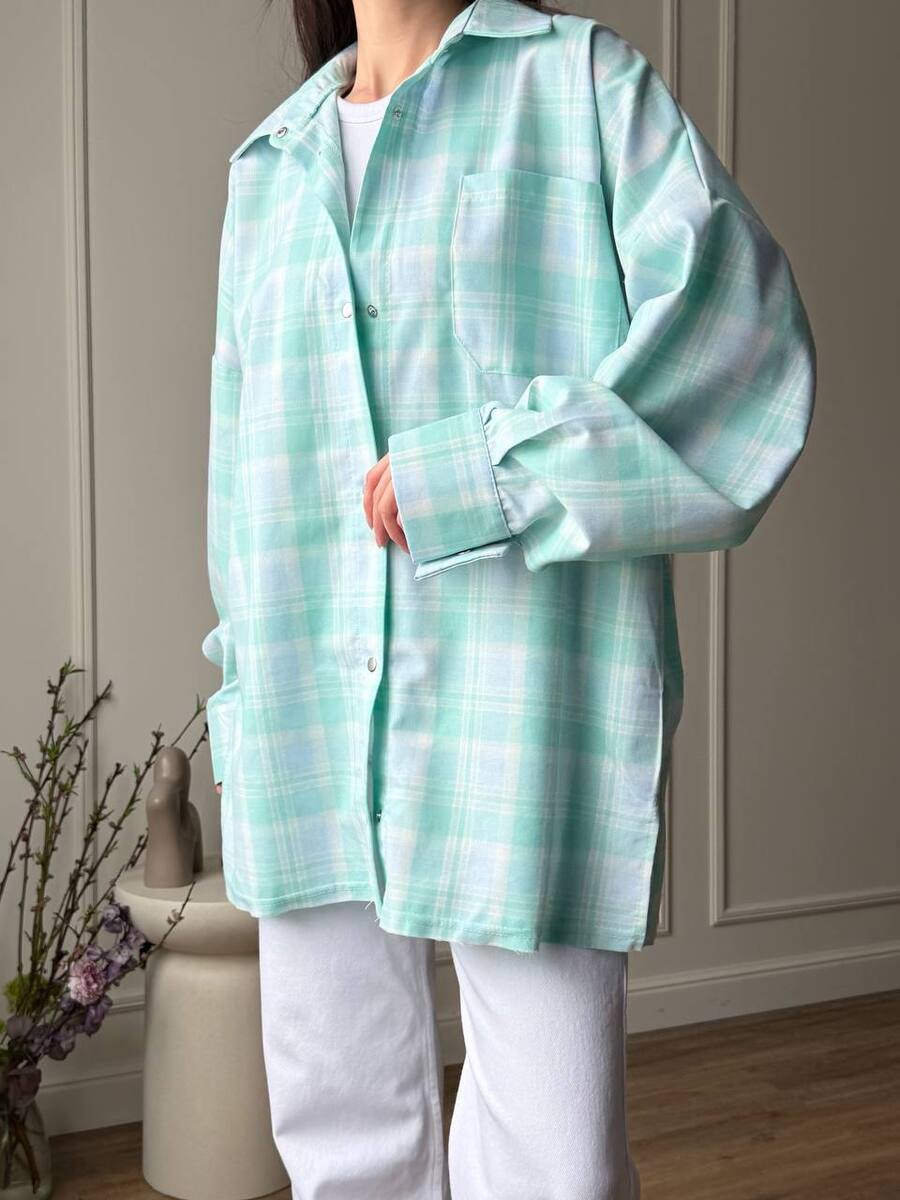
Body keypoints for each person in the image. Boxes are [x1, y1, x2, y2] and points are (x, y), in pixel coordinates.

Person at [201, 0, 817, 1196]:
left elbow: (746, 354)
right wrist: (242, 682)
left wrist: (484, 473)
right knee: (338, 1132)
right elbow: (242, 479)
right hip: (301, 707)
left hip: (526, 699)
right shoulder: (268, 167)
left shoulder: (582, 86)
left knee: (552, 1154)